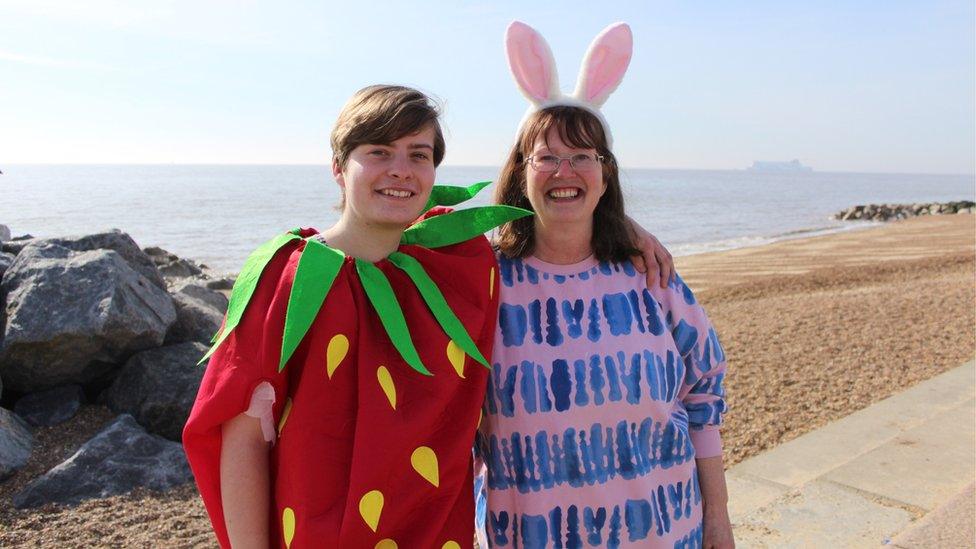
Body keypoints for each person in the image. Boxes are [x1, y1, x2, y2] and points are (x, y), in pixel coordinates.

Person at [183, 84, 534, 548]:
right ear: (338, 167)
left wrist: (628, 234)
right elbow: (243, 438)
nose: (400, 171)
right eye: (379, 151)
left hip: (434, 533)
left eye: (418, 154)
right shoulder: (288, 276)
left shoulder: (459, 264)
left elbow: (553, 239)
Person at [479, 22, 734, 548]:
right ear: (521, 172)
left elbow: (704, 395)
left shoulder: (652, 277)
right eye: (546, 156)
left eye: (582, 157)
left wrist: (718, 518)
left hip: (665, 533)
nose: (563, 170)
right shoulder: (484, 286)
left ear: (606, 172)